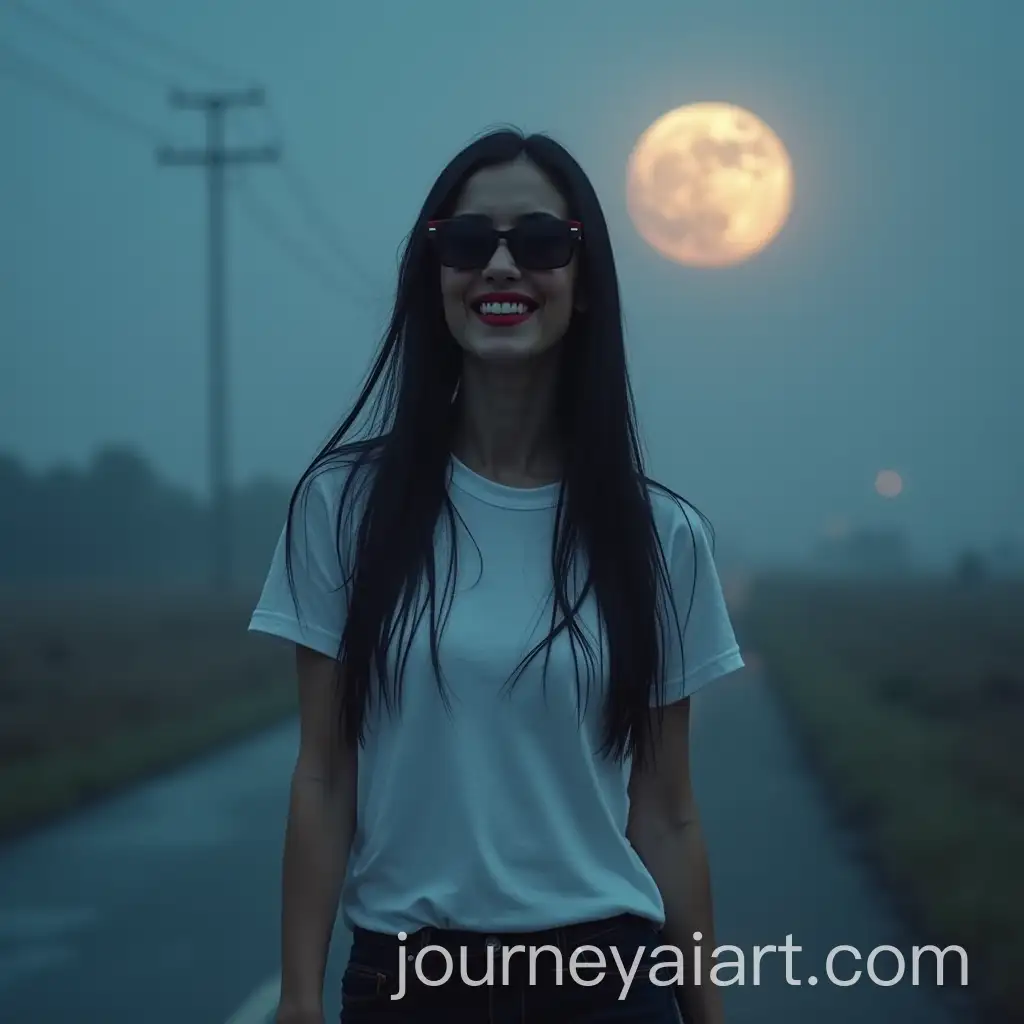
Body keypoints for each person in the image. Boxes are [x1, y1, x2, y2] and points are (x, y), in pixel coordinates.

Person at [249, 127, 744, 1024]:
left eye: (543, 243)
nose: (503, 267)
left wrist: (706, 1011)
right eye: (470, 242)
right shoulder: (341, 507)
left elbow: (668, 812)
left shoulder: (659, 536)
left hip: (608, 988)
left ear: (584, 282)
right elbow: (324, 775)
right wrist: (296, 997)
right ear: (434, 275)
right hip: (406, 986)